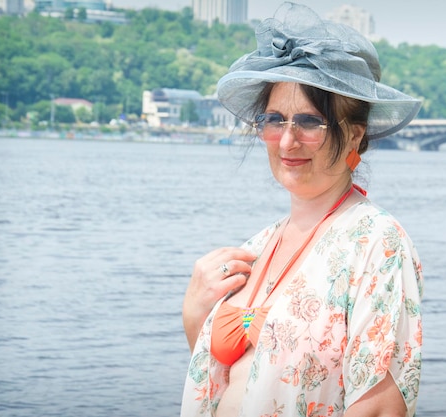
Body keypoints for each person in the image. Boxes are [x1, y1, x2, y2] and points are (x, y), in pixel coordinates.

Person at [181, 3, 423, 416]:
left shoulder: (375, 242)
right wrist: (195, 312)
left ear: (353, 136)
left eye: (310, 122)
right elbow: (225, 378)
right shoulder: (258, 245)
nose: (287, 141)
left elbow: (380, 407)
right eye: (275, 119)